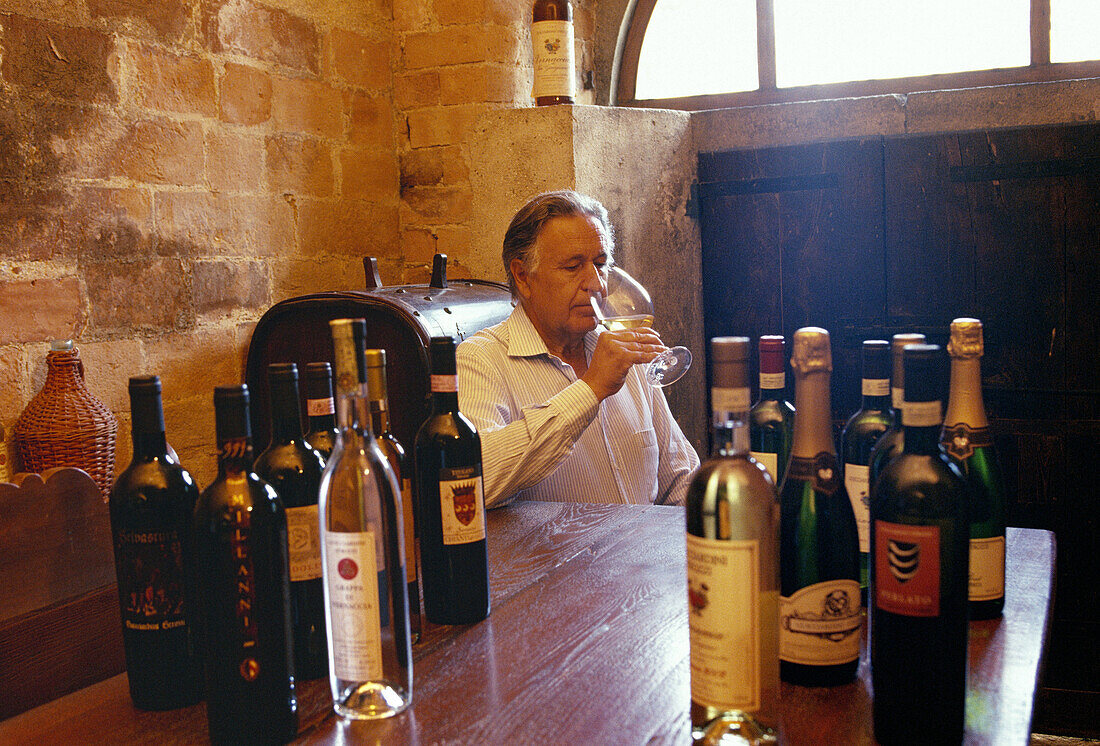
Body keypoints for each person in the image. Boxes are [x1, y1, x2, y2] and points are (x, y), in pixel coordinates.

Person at [457, 190, 700, 508]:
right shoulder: (480, 359)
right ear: (522, 276)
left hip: (643, 557)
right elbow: (476, 482)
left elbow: (680, 477)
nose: (597, 285)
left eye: (601, 264)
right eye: (573, 267)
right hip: (556, 559)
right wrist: (590, 390)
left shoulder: (622, 350)